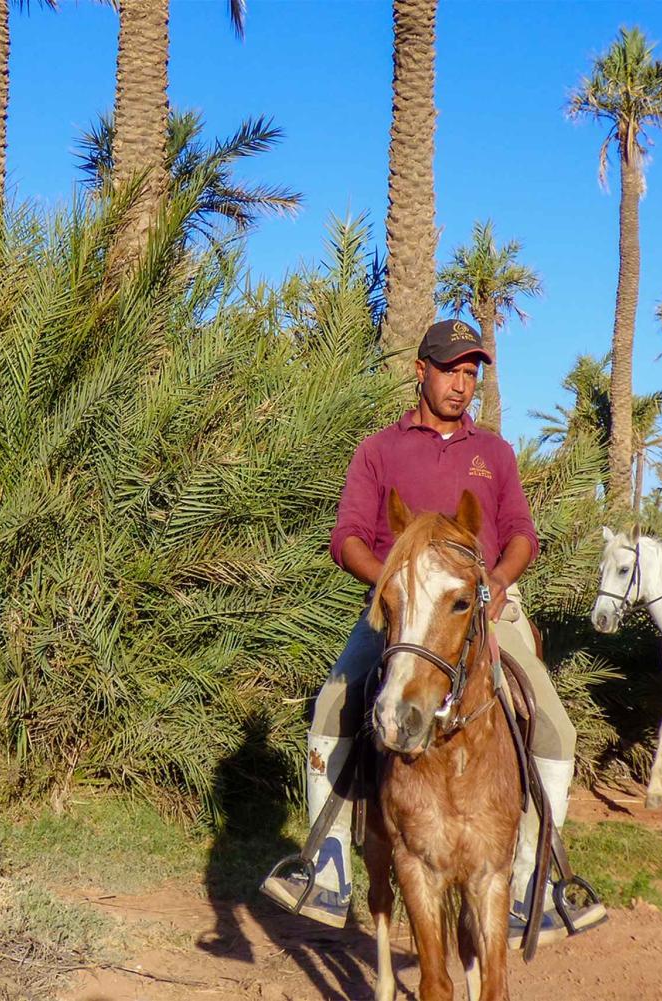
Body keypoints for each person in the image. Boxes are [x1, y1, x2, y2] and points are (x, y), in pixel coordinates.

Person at [259, 318, 606, 949]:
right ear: (421, 371)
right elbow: (349, 538)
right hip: (403, 610)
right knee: (334, 704)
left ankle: (537, 880)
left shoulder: (495, 453)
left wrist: (499, 581)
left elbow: (522, 531)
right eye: (451, 370)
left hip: (484, 602)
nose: (462, 384)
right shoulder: (379, 451)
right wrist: (393, 586)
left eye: (472, 373)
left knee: (554, 725)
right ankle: (327, 867)